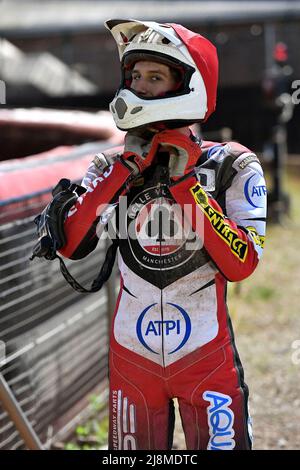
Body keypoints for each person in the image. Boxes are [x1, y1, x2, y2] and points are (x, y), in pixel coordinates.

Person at [58, 19, 267, 450]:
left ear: (187, 85)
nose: (140, 87)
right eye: (134, 76)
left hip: (206, 357)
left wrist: (186, 184)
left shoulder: (231, 163)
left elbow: (242, 262)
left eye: (155, 77)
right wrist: (121, 173)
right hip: (132, 360)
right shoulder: (110, 165)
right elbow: (70, 245)